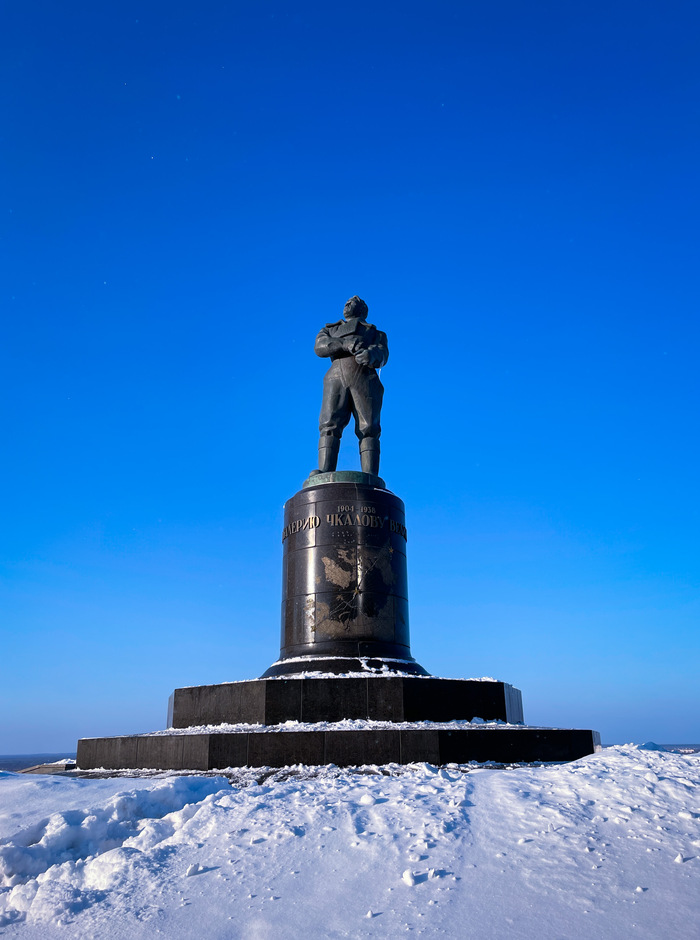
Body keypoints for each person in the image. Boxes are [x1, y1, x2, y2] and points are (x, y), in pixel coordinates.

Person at [312, 295, 389, 476]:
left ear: (362, 309)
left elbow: (383, 353)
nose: (347, 305)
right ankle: (325, 470)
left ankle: (370, 475)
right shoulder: (330, 329)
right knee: (329, 424)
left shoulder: (376, 333)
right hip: (336, 377)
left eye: (352, 303)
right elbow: (320, 347)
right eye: (346, 303)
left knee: (369, 427)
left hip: (364, 377)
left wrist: (370, 355)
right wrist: (344, 344)